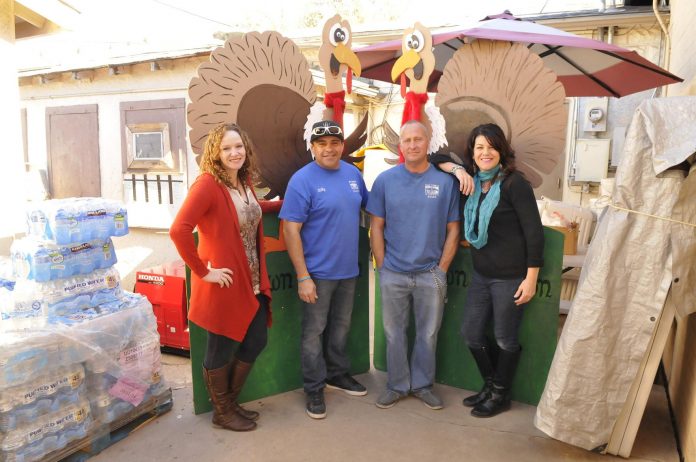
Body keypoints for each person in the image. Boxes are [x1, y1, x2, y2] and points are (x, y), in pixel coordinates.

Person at [437, 123, 544, 418]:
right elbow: (435, 159)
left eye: (491, 147)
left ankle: (500, 394)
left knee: (504, 338)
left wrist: (531, 277)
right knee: (471, 333)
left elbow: (534, 233)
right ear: (472, 152)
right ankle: (491, 384)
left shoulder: (513, 184)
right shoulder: (472, 182)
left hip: (510, 277)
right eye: (479, 147)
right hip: (482, 275)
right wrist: (458, 171)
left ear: (501, 150)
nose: (485, 153)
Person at [170, 123, 272, 432]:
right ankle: (223, 411)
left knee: (256, 339)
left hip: (251, 278)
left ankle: (229, 402)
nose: (234, 152)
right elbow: (179, 230)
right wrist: (203, 272)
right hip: (225, 281)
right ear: (215, 152)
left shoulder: (242, 181)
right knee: (220, 348)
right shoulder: (207, 185)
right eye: (226, 148)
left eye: (238, 146)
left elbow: (248, 211)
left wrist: (286, 204)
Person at [367, 120, 461, 410]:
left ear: (428, 141)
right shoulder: (385, 181)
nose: (412, 145)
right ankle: (396, 385)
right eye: (406, 140)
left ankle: (422, 385)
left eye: (417, 139)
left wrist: (442, 269)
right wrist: (383, 267)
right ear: (400, 145)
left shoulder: (445, 183)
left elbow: (453, 229)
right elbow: (377, 226)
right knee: (394, 333)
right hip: (393, 272)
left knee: (428, 334)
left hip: (430, 274)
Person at [280, 120, 369, 420]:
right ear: (313, 148)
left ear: (342, 145)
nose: (329, 148)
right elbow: (291, 231)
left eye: (334, 142)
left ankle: (337, 374)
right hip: (316, 273)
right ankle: (314, 387)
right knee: (313, 332)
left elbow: (369, 209)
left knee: (341, 327)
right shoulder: (302, 181)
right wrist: (303, 276)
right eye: (322, 144)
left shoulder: (353, 174)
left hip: (348, 271)